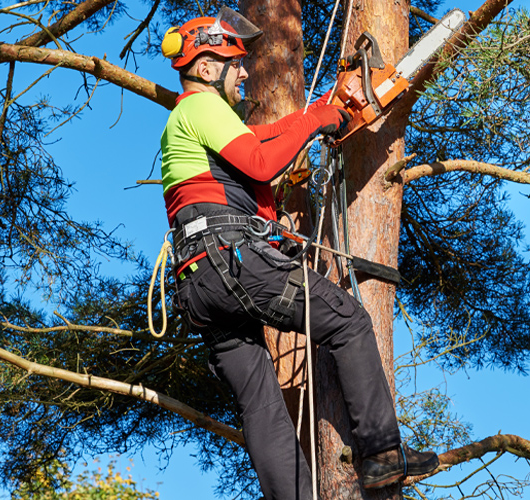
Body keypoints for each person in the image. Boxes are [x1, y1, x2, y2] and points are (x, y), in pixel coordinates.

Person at [158, 8, 439, 500]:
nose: (244, 72)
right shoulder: (199, 108)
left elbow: (264, 140)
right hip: (231, 262)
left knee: (261, 404)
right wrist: (314, 118)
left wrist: (323, 112)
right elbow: (263, 162)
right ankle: (381, 455)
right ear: (205, 69)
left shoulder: (194, 124)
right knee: (349, 320)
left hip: (200, 283)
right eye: (235, 63)